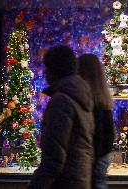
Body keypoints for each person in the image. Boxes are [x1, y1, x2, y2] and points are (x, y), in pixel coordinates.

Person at [28, 46, 95, 189]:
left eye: (47, 67)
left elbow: (54, 158)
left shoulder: (61, 101)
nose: (45, 73)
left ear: (55, 70)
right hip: (79, 179)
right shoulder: (81, 96)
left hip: (65, 182)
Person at [78, 54, 115, 189]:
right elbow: (109, 135)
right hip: (101, 157)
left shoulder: (86, 100)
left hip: (92, 158)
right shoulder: (103, 99)